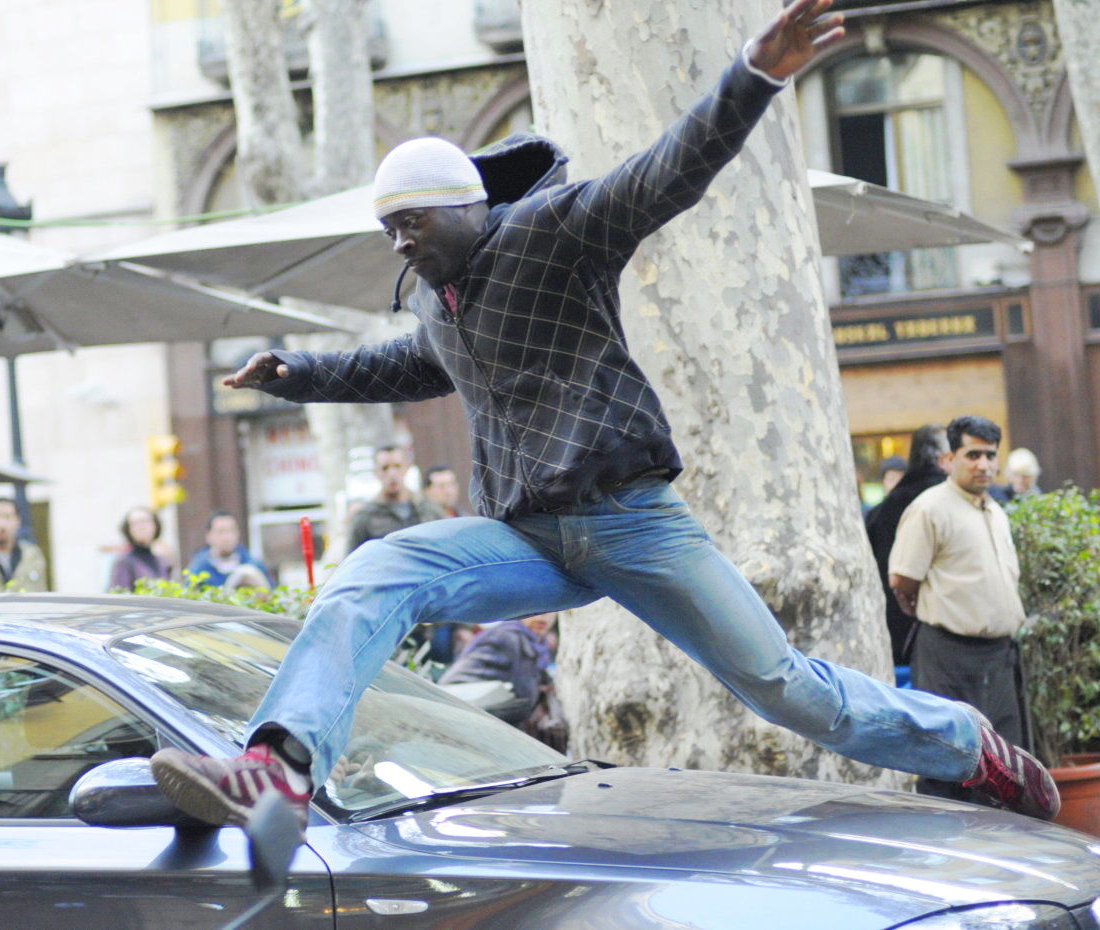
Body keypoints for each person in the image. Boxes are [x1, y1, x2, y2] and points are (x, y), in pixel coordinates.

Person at [150, 0, 1059, 829]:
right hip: (529, 542)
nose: (399, 246)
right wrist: (295, 376)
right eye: (389, 232)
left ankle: (966, 747)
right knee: (379, 569)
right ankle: (278, 770)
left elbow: (667, 173)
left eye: (411, 226)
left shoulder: (556, 232)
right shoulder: (436, 306)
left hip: (633, 527)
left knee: (786, 691)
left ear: (462, 207)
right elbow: (400, 364)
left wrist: (755, 75)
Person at [888, 416, 1034, 805]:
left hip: (999, 656)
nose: (983, 464)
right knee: (948, 757)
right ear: (950, 459)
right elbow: (903, 582)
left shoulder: (996, 511)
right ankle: (947, 855)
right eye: (973, 455)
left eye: (990, 455)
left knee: (1005, 764)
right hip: (947, 653)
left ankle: (1005, 852)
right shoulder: (929, 508)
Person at [864, 425, 949, 666]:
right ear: (942, 457)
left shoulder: (884, 508)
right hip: (944, 626)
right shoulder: (947, 499)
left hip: (893, 623)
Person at [438, 613, 554, 725]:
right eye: (537, 609)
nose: (542, 617)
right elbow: (457, 684)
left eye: (551, 611)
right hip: (477, 724)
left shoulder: (538, 645)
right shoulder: (505, 637)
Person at [346, 445, 444, 553]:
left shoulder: (428, 509)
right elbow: (353, 562)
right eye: (385, 468)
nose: (392, 474)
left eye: (397, 466)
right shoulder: (365, 517)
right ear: (376, 472)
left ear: (406, 468)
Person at [184, 511, 272, 589]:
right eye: (220, 531)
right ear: (209, 536)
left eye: (231, 530)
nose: (227, 537)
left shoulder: (252, 563)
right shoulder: (198, 569)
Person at [108, 506, 175, 591]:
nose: (141, 527)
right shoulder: (123, 562)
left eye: (145, 521)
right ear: (128, 529)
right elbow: (118, 598)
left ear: (155, 525)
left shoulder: (162, 561)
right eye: (135, 523)